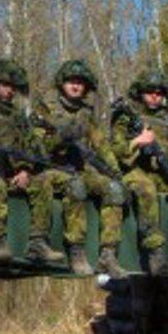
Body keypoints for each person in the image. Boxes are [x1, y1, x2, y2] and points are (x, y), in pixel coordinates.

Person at [0, 56, 66, 265]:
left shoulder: (19, 117)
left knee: (42, 183)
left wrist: (26, 171)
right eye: (4, 85)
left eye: (13, 87)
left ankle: (38, 242)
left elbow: (29, 147)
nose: (9, 90)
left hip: (13, 170)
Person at [32, 60, 125, 276]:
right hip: (51, 166)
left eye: (81, 83)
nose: (76, 86)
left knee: (114, 190)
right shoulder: (45, 108)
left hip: (80, 166)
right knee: (77, 187)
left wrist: (115, 172)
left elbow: (100, 143)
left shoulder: (85, 112)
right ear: (62, 83)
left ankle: (108, 254)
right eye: (72, 82)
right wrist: (59, 138)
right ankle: (77, 251)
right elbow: (35, 149)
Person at [110, 68, 168, 276]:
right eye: (150, 92)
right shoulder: (125, 117)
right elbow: (114, 150)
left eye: (159, 93)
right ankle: (155, 250)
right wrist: (137, 142)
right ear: (140, 93)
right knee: (146, 189)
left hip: (163, 173)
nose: (155, 97)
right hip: (135, 171)